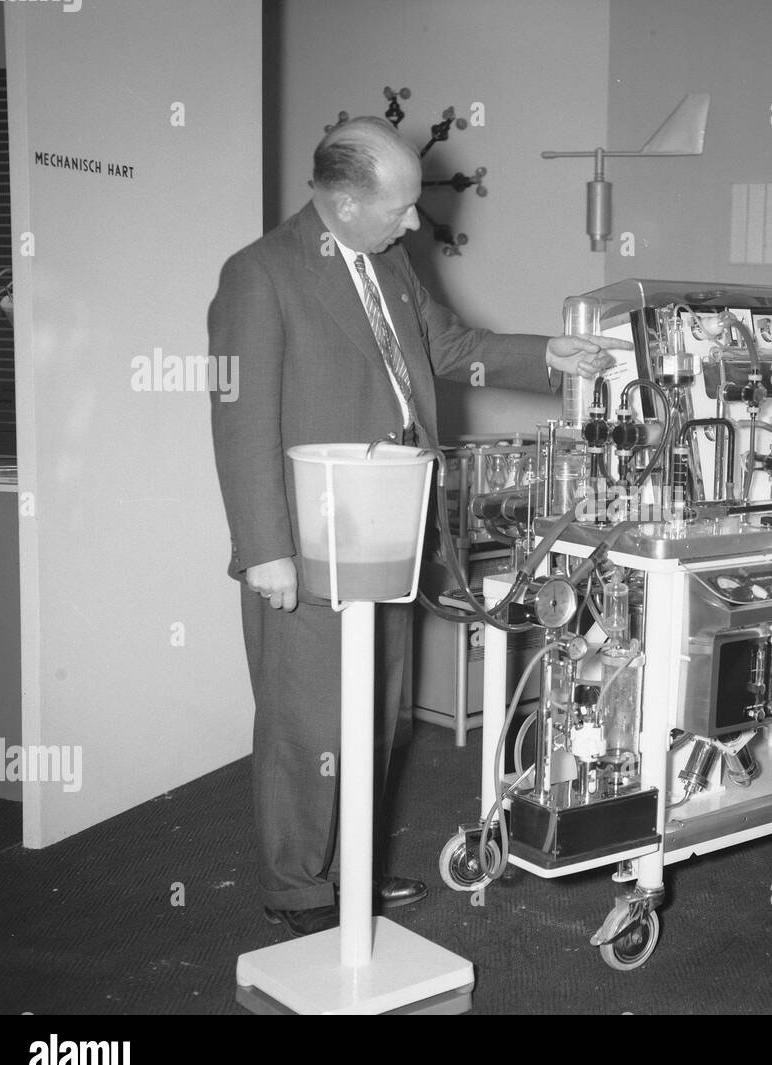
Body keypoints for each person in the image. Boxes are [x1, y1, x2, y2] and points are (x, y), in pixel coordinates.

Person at [208, 116, 628, 937]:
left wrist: (555, 354)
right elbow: (239, 417)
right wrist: (265, 551)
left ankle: (353, 869)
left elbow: (451, 347)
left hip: (393, 531)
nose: (414, 223)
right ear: (341, 199)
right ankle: (298, 888)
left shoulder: (390, 265)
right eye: (400, 206)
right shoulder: (260, 275)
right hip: (309, 539)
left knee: (380, 712)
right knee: (308, 723)